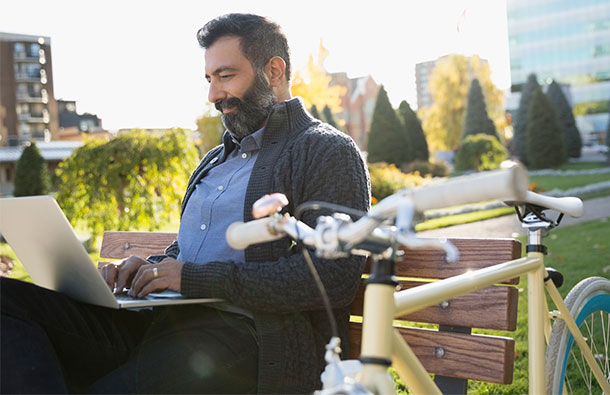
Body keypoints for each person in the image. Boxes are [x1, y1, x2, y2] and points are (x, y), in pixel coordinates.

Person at [1, 13, 370, 394]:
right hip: (164, 321)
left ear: (273, 71)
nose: (213, 95)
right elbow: (190, 250)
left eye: (226, 76)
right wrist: (148, 269)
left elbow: (332, 279)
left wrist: (189, 278)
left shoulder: (324, 150)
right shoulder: (215, 159)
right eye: (210, 79)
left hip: (251, 337)